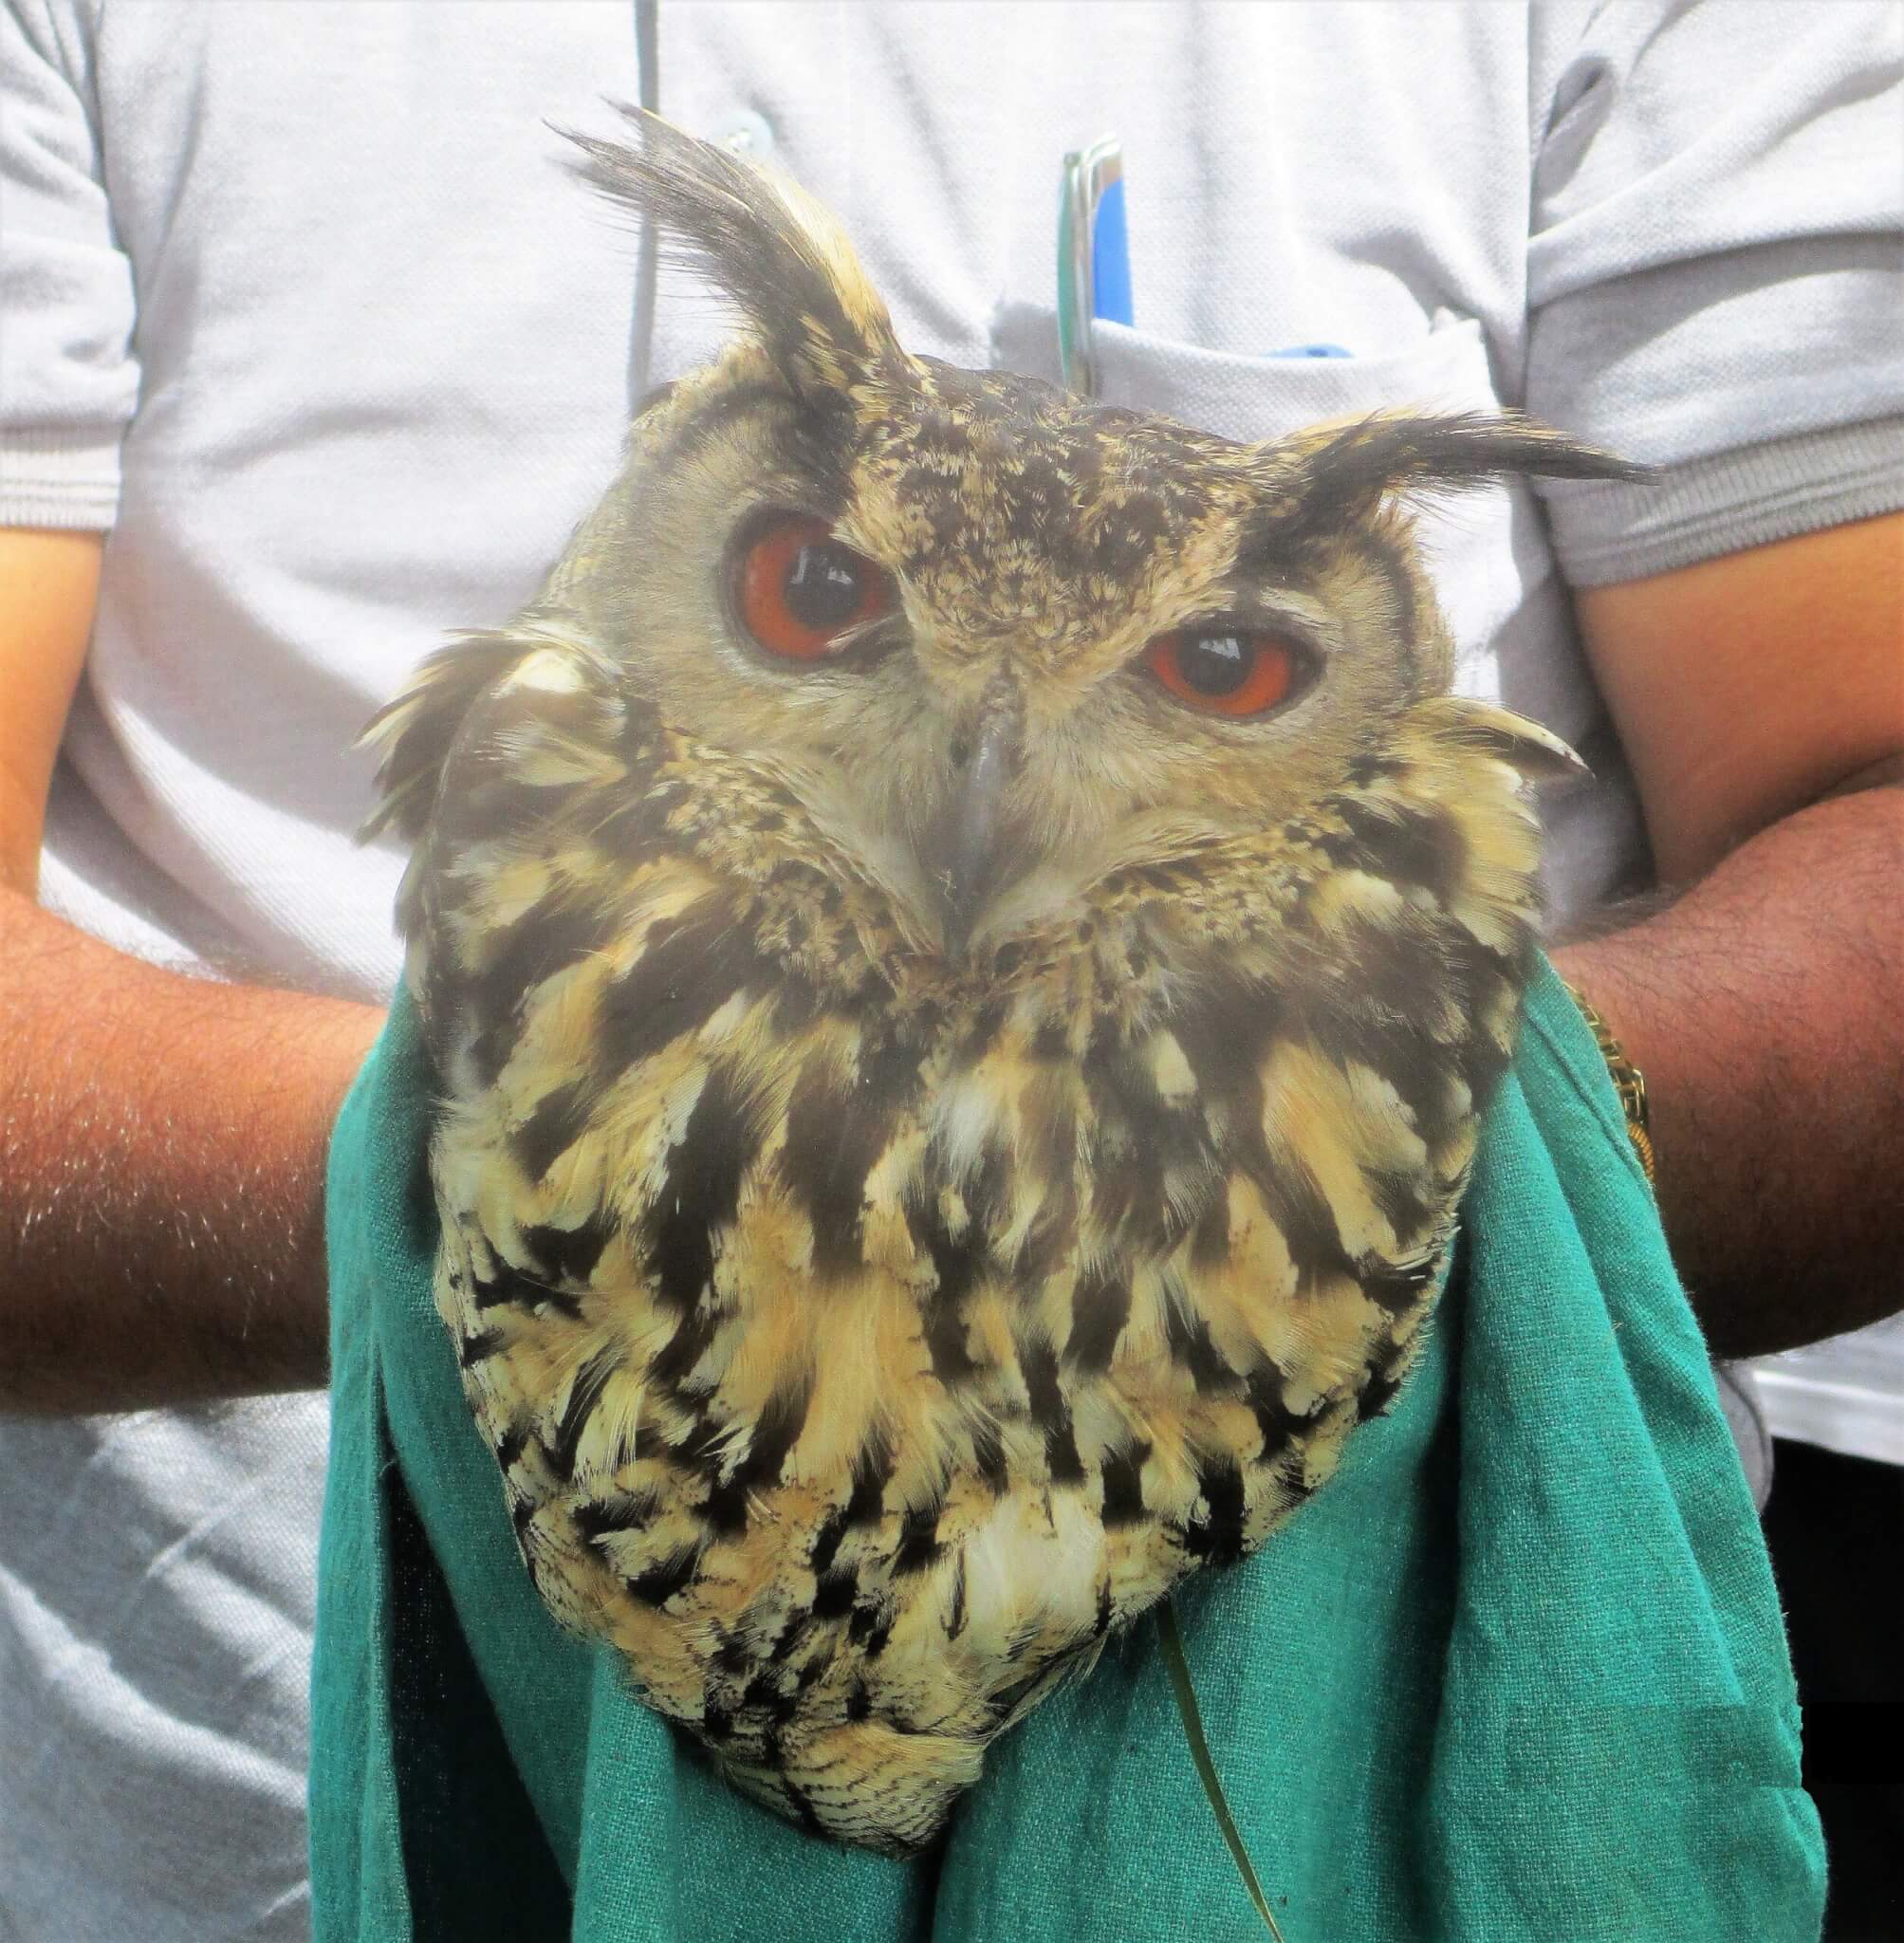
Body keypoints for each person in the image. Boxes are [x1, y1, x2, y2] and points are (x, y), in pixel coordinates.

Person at [2, 2, 1898, 1935]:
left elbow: (1872, 827)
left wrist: (1353, 1164)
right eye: (812, 593)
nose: (986, 788)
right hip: (257, 1816)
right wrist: (596, 1178)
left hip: (1340, 1823)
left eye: (1216, 669)